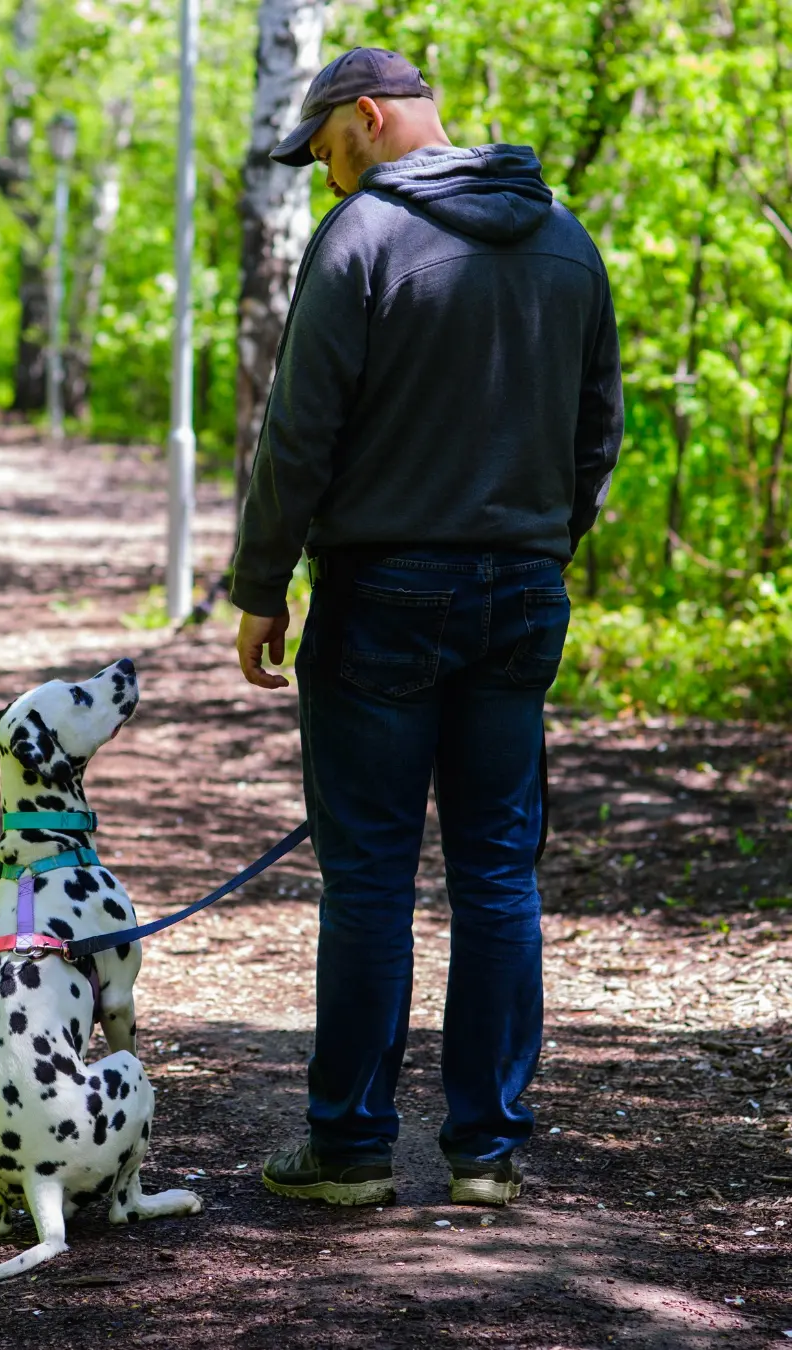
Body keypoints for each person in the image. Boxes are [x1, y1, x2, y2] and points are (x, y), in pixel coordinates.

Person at [230, 46, 623, 1208]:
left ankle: (350, 1152)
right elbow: (599, 429)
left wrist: (262, 583)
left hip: (385, 591)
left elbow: (300, 435)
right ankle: (486, 1153)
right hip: (521, 588)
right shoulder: (567, 239)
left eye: (326, 154)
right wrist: (546, 544)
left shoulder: (362, 240)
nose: (324, 178)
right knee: (500, 871)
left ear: (368, 118)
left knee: (371, 878)